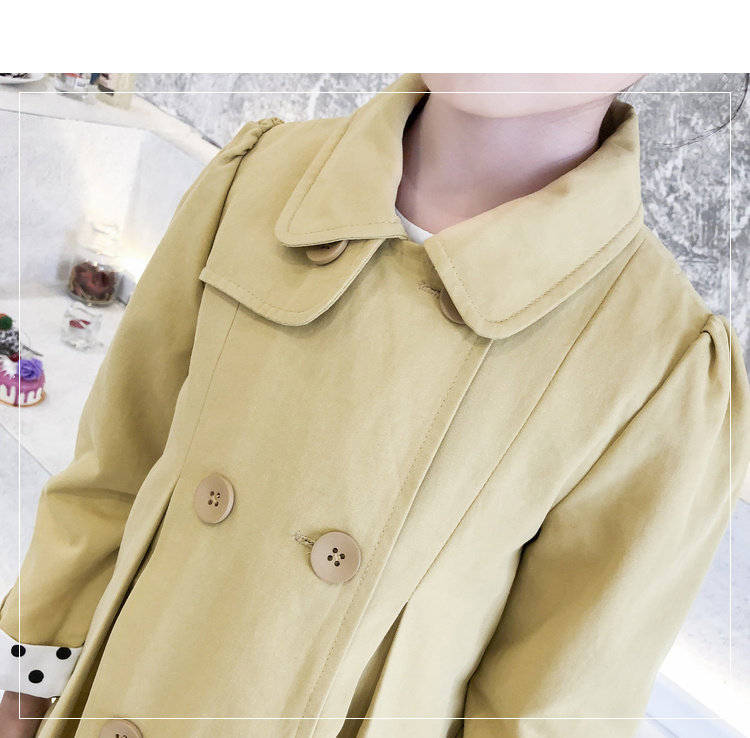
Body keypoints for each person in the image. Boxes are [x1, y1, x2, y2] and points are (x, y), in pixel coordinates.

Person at [1, 72, 749, 738]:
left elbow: (550, 710)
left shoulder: (661, 365)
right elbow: (114, 471)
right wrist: (28, 672)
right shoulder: (262, 177)